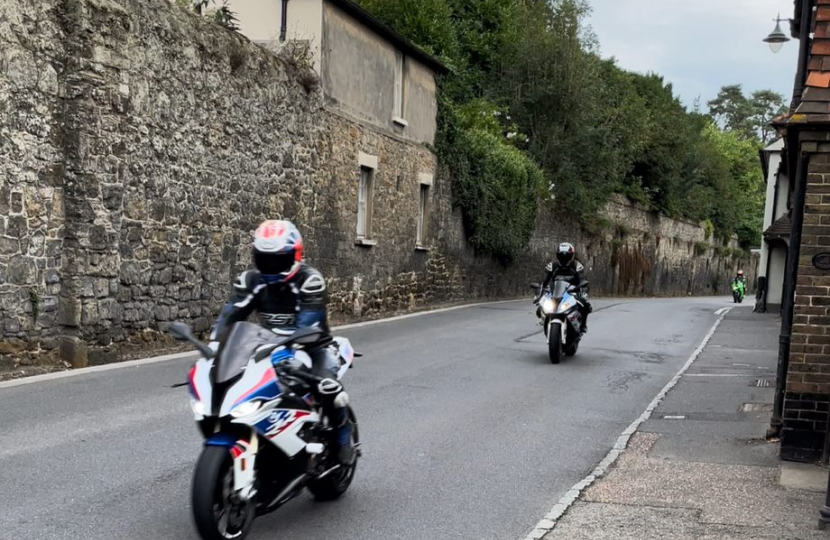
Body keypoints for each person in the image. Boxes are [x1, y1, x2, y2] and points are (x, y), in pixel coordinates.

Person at [209, 219, 354, 464]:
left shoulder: (310, 281)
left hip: (312, 346)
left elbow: (308, 325)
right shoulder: (250, 281)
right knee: (239, 385)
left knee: (327, 387)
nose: (272, 267)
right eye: (265, 259)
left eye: (279, 259)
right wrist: (215, 346)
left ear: (295, 255)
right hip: (265, 344)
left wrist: (284, 351)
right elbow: (231, 315)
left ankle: (343, 437)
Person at [538, 242, 592, 333]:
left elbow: (582, 280)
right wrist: (540, 292)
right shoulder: (552, 266)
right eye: (561, 256)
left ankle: (583, 325)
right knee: (540, 306)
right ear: (557, 255)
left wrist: (583, 293)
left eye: (566, 256)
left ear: (571, 256)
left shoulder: (576, 266)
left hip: (572, 292)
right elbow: (544, 281)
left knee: (585, 305)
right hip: (556, 291)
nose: (564, 259)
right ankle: (544, 320)